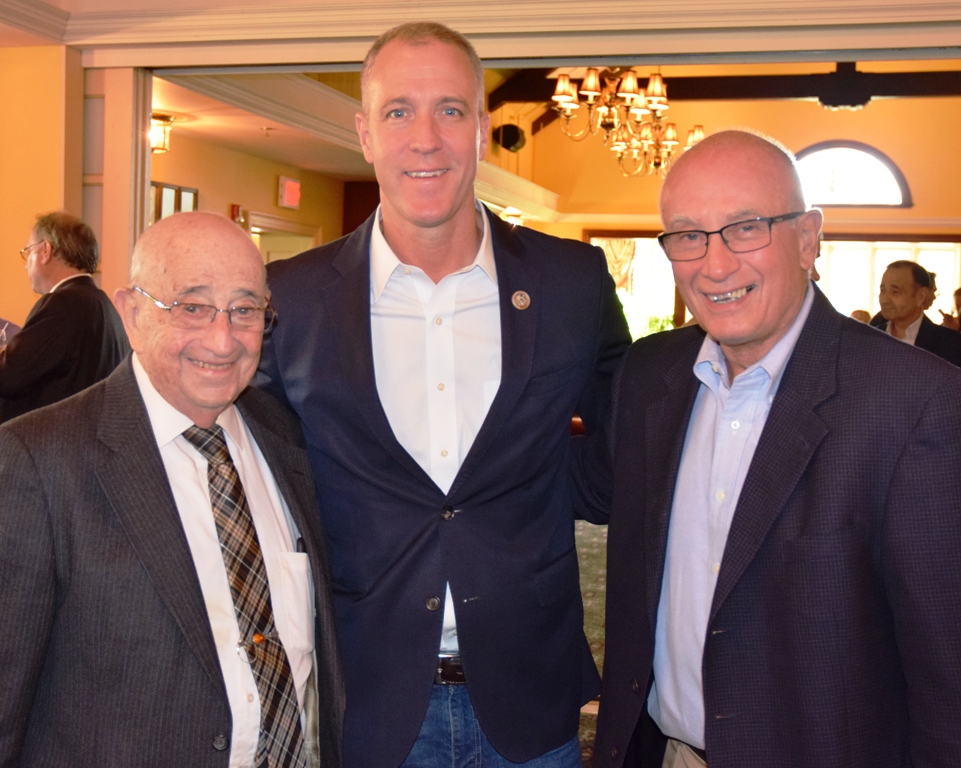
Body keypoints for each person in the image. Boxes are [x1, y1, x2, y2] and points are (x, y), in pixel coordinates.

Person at [255, 21, 630, 768]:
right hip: (364, 702)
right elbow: (260, 470)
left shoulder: (571, 282)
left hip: (530, 698)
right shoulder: (289, 297)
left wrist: (560, 484)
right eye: (398, 111)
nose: (425, 138)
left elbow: (630, 424)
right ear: (365, 133)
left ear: (482, 131)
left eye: (450, 110)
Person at [576, 130, 961, 768]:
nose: (714, 265)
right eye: (687, 235)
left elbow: (948, 675)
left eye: (746, 228)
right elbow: (582, 484)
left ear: (808, 239)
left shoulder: (916, 401)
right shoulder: (649, 374)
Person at [0, 212, 344, 768]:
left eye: (245, 310)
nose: (222, 340)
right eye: (192, 307)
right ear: (133, 314)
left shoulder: (287, 438)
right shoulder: (37, 463)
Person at [0, 212, 129, 423]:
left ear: (46, 250)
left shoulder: (62, 304)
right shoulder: (105, 306)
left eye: (28, 251)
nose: (25, 265)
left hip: (51, 438)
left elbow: (8, 378)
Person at [876, 260, 961, 366]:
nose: (884, 300)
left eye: (895, 292)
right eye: (882, 291)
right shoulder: (870, 337)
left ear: (920, 296)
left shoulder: (950, 343)